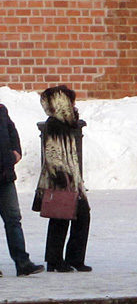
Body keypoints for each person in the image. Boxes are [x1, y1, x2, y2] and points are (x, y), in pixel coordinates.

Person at [37, 85, 91, 273]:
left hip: (74, 177)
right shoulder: (54, 123)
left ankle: (75, 258)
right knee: (60, 218)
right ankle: (54, 260)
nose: (74, 104)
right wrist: (59, 173)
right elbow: (50, 151)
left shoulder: (70, 121)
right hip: (60, 177)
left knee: (82, 215)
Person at [0, 101, 44, 276]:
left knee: (13, 219)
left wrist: (15, 152)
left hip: (5, 176)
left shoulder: (1, 110)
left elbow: (12, 132)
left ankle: (22, 263)